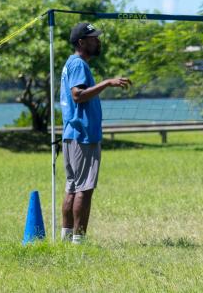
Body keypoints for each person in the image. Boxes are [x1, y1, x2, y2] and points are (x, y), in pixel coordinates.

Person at [59, 22, 132, 244]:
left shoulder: (72, 63)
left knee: (72, 188)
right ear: (81, 42)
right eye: (93, 38)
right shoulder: (79, 64)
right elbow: (78, 95)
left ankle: (66, 238)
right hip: (83, 135)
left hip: (72, 133)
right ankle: (79, 242)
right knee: (84, 189)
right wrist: (107, 83)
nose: (98, 41)